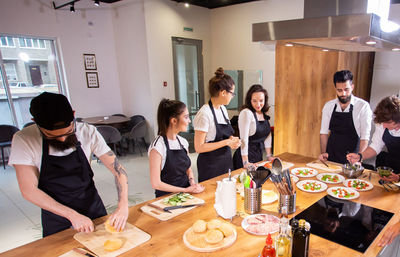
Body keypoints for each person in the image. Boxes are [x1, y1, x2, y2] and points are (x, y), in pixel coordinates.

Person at [8, 92, 128, 237]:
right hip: (56, 215)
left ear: (73, 114)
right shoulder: (24, 139)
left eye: (69, 132)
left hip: (92, 206)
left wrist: (123, 205)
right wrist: (71, 215)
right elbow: (29, 190)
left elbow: (118, 170)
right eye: (53, 136)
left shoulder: (88, 131)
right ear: (35, 122)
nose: (63, 139)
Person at [346, 96, 400, 248]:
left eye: (389, 124)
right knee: (384, 210)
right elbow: (376, 146)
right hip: (391, 171)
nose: (385, 126)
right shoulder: (383, 125)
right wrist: (360, 155)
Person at [148, 99, 204, 197]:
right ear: (174, 120)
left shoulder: (183, 142)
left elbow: (188, 168)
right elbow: (155, 183)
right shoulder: (157, 147)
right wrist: (185, 190)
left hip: (186, 194)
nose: (189, 121)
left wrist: (192, 183)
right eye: (186, 117)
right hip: (166, 198)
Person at [194, 67, 241, 182]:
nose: (232, 96)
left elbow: (223, 135)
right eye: (232, 93)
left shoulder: (222, 109)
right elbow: (199, 147)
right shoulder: (204, 114)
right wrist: (226, 142)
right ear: (223, 92)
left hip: (225, 160)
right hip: (210, 165)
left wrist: (231, 139)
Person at [319, 70, 372, 164]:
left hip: (352, 157)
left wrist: (359, 158)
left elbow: (365, 137)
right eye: (339, 90)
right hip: (331, 154)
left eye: (346, 89)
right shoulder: (329, 106)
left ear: (352, 87)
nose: (343, 94)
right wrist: (324, 153)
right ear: (335, 88)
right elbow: (323, 133)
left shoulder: (363, 106)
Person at [232, 84, 273, 170]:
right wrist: (245, 162)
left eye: (261, 100)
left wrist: (269, 156)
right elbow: (244, 139)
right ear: (249, 100)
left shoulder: (264, 113)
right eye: (254, 101)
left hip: (258, 155)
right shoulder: (246, 113)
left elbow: (267, 135)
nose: (258, 104)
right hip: (244, 157)